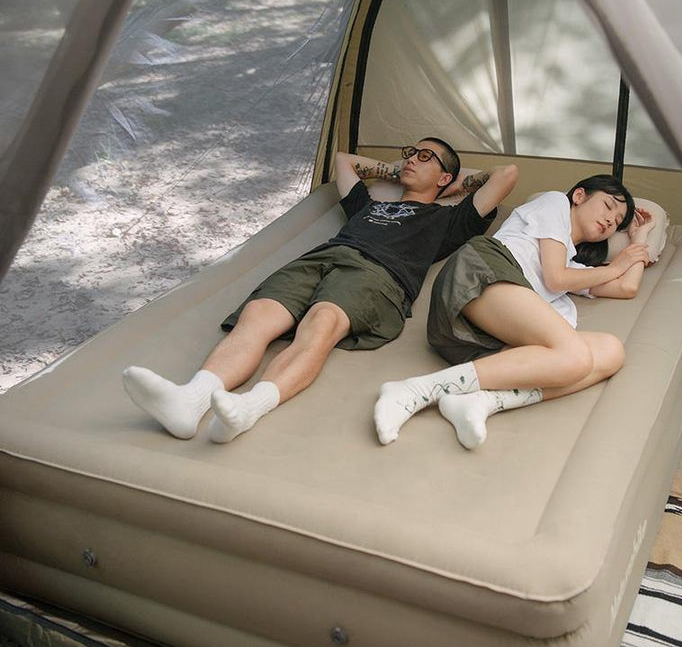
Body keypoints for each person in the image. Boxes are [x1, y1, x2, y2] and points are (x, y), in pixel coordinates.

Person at [122, 138, 519, 442]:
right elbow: (344, 161)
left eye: (425, 157)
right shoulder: (367, 205)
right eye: (410, 153)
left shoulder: (448, 220)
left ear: (446, 178)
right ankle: (190, 401)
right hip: (324, 257)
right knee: (257, 316)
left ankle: (249, 408)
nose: (412, 159)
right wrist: (402, 170)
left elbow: (507, 175)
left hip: (380, 274)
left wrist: (455, 184)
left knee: (322, 321)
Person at [374, 175, 655, 449]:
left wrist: (639, 238)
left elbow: (627, 287)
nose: (611, 220)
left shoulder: (575, 267)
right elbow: (557, 278)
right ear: (579, 196)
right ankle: (418, 390)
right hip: (480, 274)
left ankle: (483, 400)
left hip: (493, 331)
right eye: (608, 206)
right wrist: (616, 267)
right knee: (577, 355)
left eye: (617, 221)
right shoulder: (555, 203)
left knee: (612, 351)